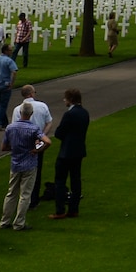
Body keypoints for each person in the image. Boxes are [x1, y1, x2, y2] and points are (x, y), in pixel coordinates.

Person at [0, 103, 48, 231]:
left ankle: (5, 221)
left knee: (11, 193)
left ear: (20, 113)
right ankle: (19, 223)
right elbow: (48, 141)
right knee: (25, 194)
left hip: (15, 163)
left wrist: (15, 148)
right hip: (29, 164)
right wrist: (37, 150)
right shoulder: (34, 129)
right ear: (31, 114)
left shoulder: (10, 128)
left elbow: (4, 147)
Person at [48, 88, 89, 219]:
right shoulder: (84, 113)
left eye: (65, 98)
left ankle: (60, 210)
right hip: (79, 151)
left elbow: (59, 132)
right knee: (76, 181)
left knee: (60, 181)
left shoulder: (69, 115)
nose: (64, 100)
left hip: (66, 152)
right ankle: (73, 209)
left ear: (70, 99)